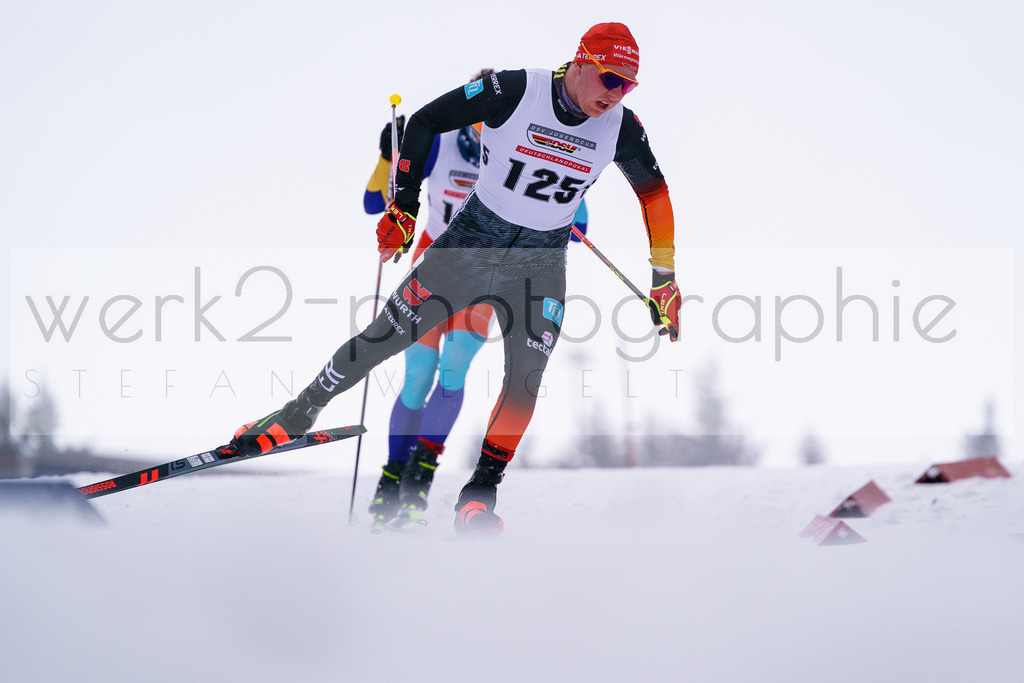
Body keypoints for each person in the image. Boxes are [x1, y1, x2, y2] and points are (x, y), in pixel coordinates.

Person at [232, 22, 681, 535]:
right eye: (610, 79)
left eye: (628, 85)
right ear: (580, 62)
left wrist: (664, 277)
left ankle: (480, 492)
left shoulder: (622, 126)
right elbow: (425, 121)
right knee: (385, 340)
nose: (616, 94)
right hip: (469, 247)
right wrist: (402, 205)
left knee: (525, 377)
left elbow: (655, 195)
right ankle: (296, 414)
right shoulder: (515, 90)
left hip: (538, 264)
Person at [361, 76, 590, 529]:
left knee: (454, 367)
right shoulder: (443, 144)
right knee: (417, 377)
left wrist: (570, 203)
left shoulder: (528, 144)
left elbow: (578, 219)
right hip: (436, 267)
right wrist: (390, 154)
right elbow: (374, 203)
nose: (491, 123)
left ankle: (420, 479)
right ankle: (391, 479)